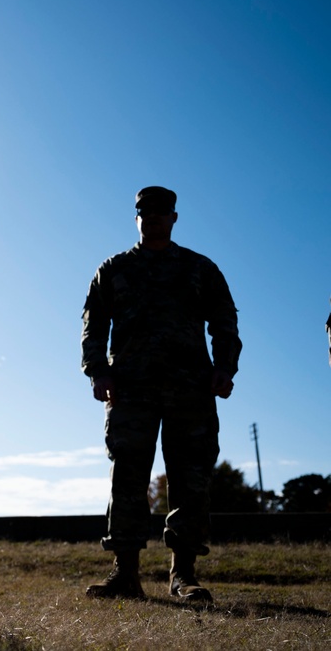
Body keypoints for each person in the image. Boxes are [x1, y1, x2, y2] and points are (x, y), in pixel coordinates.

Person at [80, 186, 242, 603]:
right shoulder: (113, 270)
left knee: (191, 480)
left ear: (174, 217)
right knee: (128, 479)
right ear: (136, 218)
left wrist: (224, 367)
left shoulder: (199, 269)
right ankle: (125, 574)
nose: (152, 217)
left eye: (160, 211)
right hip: (130, 391)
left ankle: (183, 575)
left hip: (190, 390)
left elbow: (225, 319)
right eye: (144, 212)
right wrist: (98, 371)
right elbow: (93, 325)